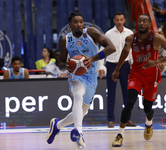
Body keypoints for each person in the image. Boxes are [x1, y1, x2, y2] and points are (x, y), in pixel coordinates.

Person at [46, 12, 116, 149]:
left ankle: (57, 125)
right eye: (75, 22)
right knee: (77, 95)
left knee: (82, 112)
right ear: (70, 25)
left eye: (81, 22)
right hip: (76, 75)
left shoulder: (91, 32)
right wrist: (64, 65)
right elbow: (61, 63)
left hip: (91, 76)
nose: (79, 24)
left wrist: (93, 59)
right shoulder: (65, 40)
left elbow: (111, 48)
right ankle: (79, 132)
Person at [111, 14, 166, 147]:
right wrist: (117, 69)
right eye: (139, 21)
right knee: (129, 102)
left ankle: (149, 122)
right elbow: (124, 53)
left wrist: (157, 61)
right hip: (136, 74)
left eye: (144, 21)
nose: (141, 23)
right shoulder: (131, 38)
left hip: (151, 76)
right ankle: (120, 135)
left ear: (149, 24)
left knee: (147, 107)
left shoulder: (156, 38)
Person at [99, 12, 136, 128]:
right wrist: (101, 65)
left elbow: (132, 50)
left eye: (121, 19)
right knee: (111, 94)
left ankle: (127, 119)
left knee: (127, 94)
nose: (119, 21)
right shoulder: (109, 34)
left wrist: (133, 63)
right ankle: (110, 120)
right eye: (117, 20)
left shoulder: (130, 33)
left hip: (125, 66)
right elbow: (102, 49)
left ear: (124, 20)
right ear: (114, 21)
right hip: (111, 65)